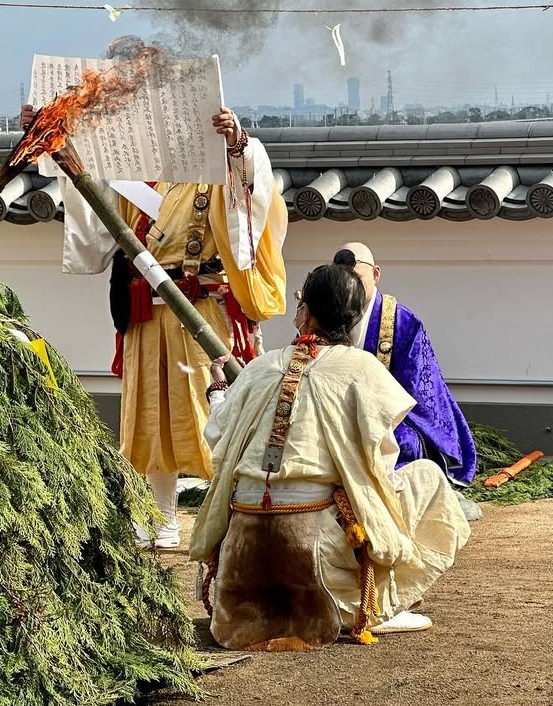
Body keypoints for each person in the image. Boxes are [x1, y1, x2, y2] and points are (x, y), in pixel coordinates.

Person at [20, 38, 287, 549]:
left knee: (213, 416)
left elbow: (254, 197)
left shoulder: (219, 158)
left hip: (200, 309)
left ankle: (232, 522)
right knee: (148, 420)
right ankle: (161, 519)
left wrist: (238, 146)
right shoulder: (127, 170)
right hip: (145, 309)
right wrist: (48, 135)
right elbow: (83, 191)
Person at [189, 264, 470, 650]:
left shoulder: (262, 365)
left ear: (305, 312)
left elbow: (217, 435)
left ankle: (318, 602)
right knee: (427, 479)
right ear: (354, 320)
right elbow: (381, 464)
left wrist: (218, 391)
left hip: (243, 559)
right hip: (318, 559)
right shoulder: (362, 369)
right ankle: (375, 604)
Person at [333, 242, 479, 499]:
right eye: (344, 280)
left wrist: (372, 414)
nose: (350, 289)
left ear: (376, 274)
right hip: (335, 410)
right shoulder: (329, 313)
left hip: (389, 416)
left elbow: (418, 389)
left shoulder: (403, 323)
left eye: (357, 279)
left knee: (404, 446)